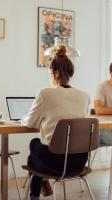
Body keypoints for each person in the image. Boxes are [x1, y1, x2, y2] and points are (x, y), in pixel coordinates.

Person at [21, 45, 90, 200]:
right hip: (79, 163)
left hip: (55, 164)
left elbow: (30, 123)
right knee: (38, 152)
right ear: (72, 73)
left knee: (34, 145)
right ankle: (38, 191)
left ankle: (36, 194)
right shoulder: (85, 96)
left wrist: (23, 118)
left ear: (51, 72)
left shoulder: (46, 94)